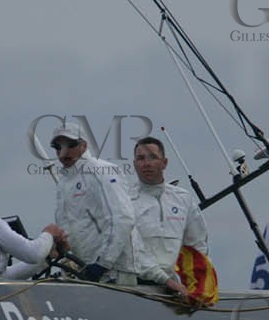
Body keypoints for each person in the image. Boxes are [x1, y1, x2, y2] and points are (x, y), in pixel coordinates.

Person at [48, 122, 137, 284]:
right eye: (58, 147)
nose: (64, 151)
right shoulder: (64, 182)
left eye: (70, 145)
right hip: (83, 271)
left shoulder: (101, 171)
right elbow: (68, 226)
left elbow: (122, 219)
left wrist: (102, 264)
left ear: (84, 145)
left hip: (113, 273)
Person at [128, 136, 209, 298]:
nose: (147, 163)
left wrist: (198, 285)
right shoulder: (125, 200)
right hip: (134, 288)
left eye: (153, 157)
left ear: (164, 163)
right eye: (141, 158)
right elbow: (131, 251)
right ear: (135, 164)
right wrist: (165, 280)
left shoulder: (183, 199)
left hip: (173, 290)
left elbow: (197, 246)